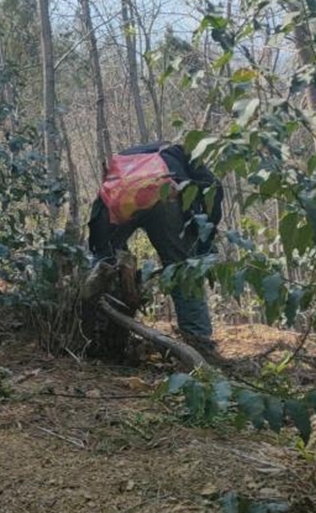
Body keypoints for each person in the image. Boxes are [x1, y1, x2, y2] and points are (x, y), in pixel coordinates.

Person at [86, 141, 222, 360]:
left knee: (104, 264)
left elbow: (102, 208)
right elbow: (213, 189)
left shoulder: (123, 159)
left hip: (120, 196)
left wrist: (101, 247)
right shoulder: (184, 154)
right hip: (164, 195)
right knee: (182, 269)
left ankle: (93, 337)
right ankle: (200, 347)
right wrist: (204, 239)